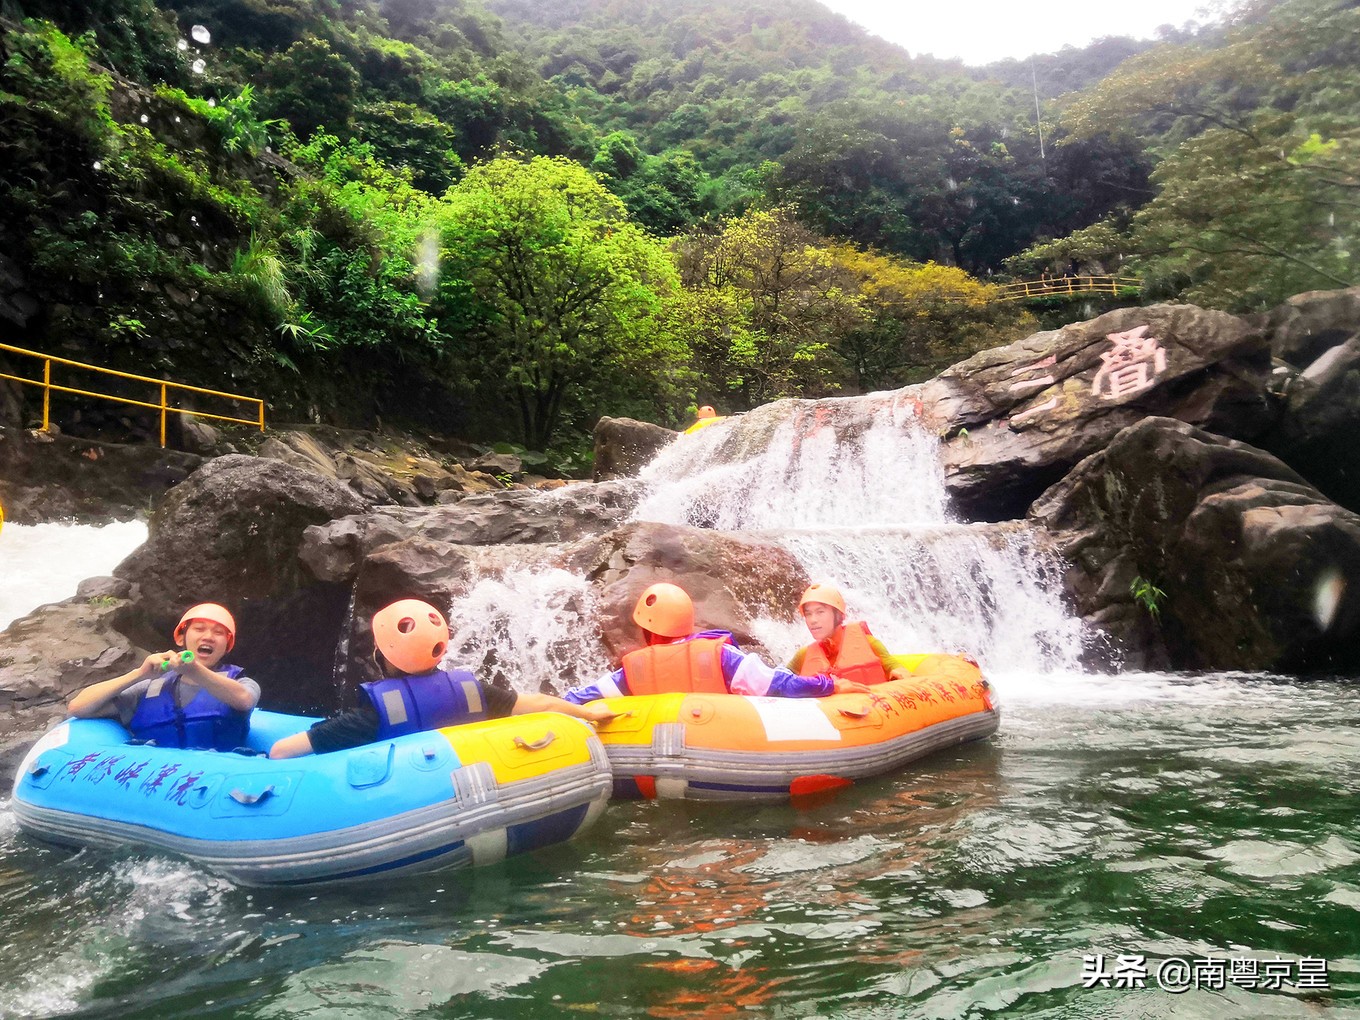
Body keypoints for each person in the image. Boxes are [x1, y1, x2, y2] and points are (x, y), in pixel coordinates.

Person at [269, 599, 616, 758]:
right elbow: (540, 703)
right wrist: (589, 713)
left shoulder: (369, 717)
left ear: (383, 653)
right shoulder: (472, 692)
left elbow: (282, 750)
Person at [562, 582, 868, 704]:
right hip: (727, 748)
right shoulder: (723, 657)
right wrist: (831, 685)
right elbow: (781, 685)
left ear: (646, 630)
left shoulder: (632, 672)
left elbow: (580, 698)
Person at [67, 602, 259, 751]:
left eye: (218, 633)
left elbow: (244, 700)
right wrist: (139, 674)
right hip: (158, 780)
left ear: (227, 645)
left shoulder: (242, 683)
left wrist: (195, 671)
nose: (208, 637)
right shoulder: (149, 688)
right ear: (180, 638)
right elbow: (78, 707)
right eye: (199, 629)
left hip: (216, 780)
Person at [787, 582, 910, 686]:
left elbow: (895, 667)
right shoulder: (803, 656)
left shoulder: (870, 644)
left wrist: (898, 672)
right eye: (808, 614)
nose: (813, 620)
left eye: (820, 612)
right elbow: (776, 682)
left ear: (839, 615)